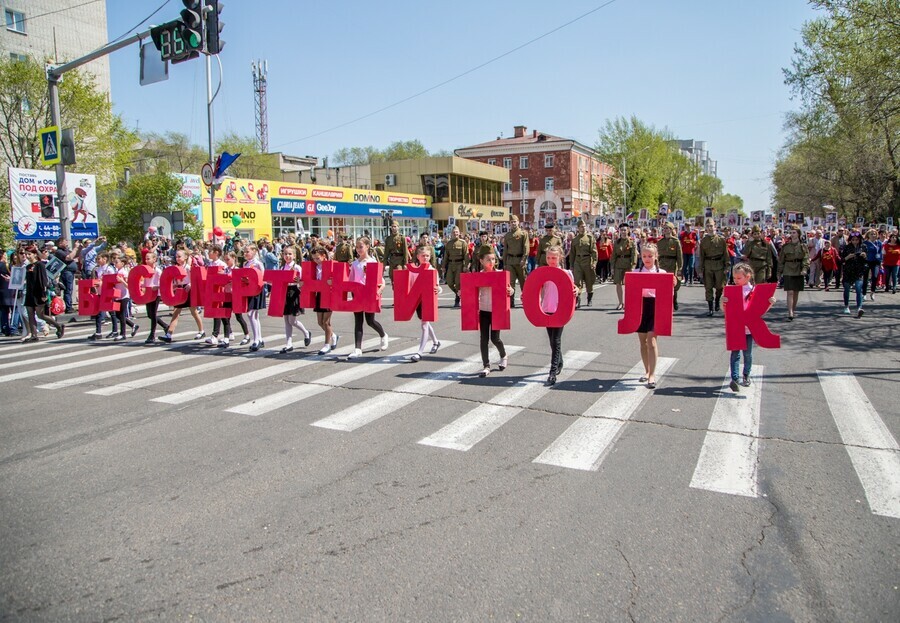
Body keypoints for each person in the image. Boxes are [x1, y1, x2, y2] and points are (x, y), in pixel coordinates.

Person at [724, 263, 776, 392]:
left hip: (749, 328)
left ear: (748, 277)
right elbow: (726, 310)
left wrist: (770, 303)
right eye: (734, 278)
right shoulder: (731, 290)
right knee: (735, 353)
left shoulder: (754, 290)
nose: (735, 280)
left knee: (747, 354)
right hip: (736, 327)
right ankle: (735, 379)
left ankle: (746, 375)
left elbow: (761, 310)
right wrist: (723, 302)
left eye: (738, 278)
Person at [632, 243, 672, 389]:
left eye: (650, 256)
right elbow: (630, 293)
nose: (647, 259)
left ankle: (653, 375)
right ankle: (647, 370)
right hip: (640, 307)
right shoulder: (636, 272)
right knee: (643, 342)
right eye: (644, 256)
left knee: (652, 340)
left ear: (656, 257)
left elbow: (668, 295)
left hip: (656, 307)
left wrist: (672, 285)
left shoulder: (662, 273)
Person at [541, 245, 576, 385]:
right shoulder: (543, 272)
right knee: (551, 341)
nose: (551, 260)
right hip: (546, 308)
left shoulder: (566, 273)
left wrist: (577, 290)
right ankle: (560, 362)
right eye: (548, 257)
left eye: (554, 258)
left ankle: (552, 372)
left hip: (560, 310)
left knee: (556, 341)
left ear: (560, 257)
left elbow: (573, 288)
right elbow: (537, 288)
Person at [347, 236, 388, 359]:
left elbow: (381, 280)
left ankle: (383, 335)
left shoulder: (372, 262)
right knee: (358, 321)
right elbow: (350, 279)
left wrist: (380, 289)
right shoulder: (354, 263)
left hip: (369, 293)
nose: (359, 249)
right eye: (357, 247)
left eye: (361, 247)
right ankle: (357, 348)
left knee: (370, 321)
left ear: (367, 247)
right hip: (357, 293)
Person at [477, 249, 512, 377]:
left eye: (493, 259)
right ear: (481, 261)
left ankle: (503, 355)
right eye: (488, 259)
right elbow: (473, 291)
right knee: (483, 339)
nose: (491, 262)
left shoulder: (500, 274)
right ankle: (486, 366)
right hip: (483, 310)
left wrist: (510, 290)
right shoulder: (478, 275)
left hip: (496, 310)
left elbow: (510, 289)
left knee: (495, 338)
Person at [159, 249, 205, 342]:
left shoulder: (188, 267)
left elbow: (194, 278)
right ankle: (169, 334)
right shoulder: (176, 268)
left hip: (188, 290)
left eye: (179, 256)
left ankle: (201, 330)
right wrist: (175, 285)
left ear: (185, 257)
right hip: (180, 290)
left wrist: (190, 284)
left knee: (194, 312)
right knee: (176, 312)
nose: (177, 258)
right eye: (176, 257)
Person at [21, 245, 64, 342]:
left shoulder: (40, 265)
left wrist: (44, 294)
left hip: (39, 293)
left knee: (41, 315)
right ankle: (34, 335)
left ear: (35, 255)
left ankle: (59, 326)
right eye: (26, 254)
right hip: (30, 293)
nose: (27, 256)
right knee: (30, 313)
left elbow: (43, 280)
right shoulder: (28, 266)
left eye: (29, 254)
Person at [408, 245, 442, 363]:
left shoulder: (432, 270)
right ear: (418, 257)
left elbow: (437, 286)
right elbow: (411, 285)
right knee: (424, 322)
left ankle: (420, 352)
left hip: (428, 300)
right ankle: (436, 342)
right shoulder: (414, 271)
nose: (425, 258)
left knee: (424, 324)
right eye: (423, 256)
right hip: (417, 300)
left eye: (427, 255)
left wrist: (438, 290)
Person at [279, 246, 312, 353]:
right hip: (284, 292)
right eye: (285, 254)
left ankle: (306, 332)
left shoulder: (297, 267)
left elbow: (303, 282)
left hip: (294, 291)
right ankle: (289, 343)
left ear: (294, 256)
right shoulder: (282, 268)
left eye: (289, 254)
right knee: (286, 319)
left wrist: (298, 281)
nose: (287, 256)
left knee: (292, 320)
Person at [309, 246, 339, 355]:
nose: (316, 261)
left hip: (329, 294)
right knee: (319, 322)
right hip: (319, 294)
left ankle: (327, 344)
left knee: (326, 322)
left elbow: (338, 277)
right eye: (314, 259)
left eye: (318, 258)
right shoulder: (315, 267)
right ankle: (333, 335)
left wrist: (332, 281)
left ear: (324, 256)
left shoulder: (331, 265)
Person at [776, 226, 810, 321]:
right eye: (791, 232)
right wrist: (779, 272)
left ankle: (793, 310)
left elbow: (806, 258)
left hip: (799, 269)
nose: (792, 234)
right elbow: (781, 260)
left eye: (794, 232)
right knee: (790, 292)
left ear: (798, 234)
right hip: (788, 268)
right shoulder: (786, 247)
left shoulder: (803, 246)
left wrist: (804, 269)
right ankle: (790, 311)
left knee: (796, 292)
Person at [203, 246, 233, 348]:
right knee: (219, 314)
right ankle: (229, 333)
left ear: (216, 253)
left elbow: (225, 278)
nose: (208, 253)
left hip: (221, 291)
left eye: (210, 251)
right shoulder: (210, 264)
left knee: (219, 313)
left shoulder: (222, 264)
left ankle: (215, 336)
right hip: (213, 291)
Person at [698, 219, 728, 317]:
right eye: (708, 226)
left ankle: (717, 300)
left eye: (711, 226)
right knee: (708, 287)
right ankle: (710, 308)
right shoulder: (703, 241)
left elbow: (725, 254)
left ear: (715, 227)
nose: (710, 228)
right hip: (708, 265)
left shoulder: (721, 240)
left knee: (720, 286)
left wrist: (727, 266)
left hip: (719, 264)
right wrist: (700, 269)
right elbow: (701, 256)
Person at [242, 243, 267, 352]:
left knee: (251, 314)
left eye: (248, 251)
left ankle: (256, 339)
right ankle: (259, 339)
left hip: (256, 290)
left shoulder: (258, 263)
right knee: (253, 315)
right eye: (245, 252)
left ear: (254, 251)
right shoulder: (246, 264)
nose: (245, 254)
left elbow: (263, 277)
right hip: (248, 290)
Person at [568, 219, 597, 308]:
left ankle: (589, 299)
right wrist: (571, 265)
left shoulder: (590, 238)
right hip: (578, 261)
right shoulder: (575, 240)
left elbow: (594, 252)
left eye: (584, 226)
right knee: (577, 281)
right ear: (578, 228)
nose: (583, 228)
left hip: (587, 261)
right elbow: (572, 253)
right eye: (581, 227)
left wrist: (594, 262)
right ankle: (577, 299)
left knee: (589, 281)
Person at [503, 215, 529, 307]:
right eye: (511, 222)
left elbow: (526, 247)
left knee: (524, 282)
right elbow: (505, 250)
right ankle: (510, 301)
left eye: (515, 221)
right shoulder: (507, 236)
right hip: (510, 261)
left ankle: (526, 300)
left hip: (520, 260)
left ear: (518, 222)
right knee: (510, 282)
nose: (513, 223)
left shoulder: (523, 233)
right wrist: (504, 263)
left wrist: (524, 259)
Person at [840, 230, 868, 317]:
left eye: (857, 239)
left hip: (859, 271)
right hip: (848, 271)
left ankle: (859, 308)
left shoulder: (863, 247)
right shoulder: (846, 247)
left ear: (859, 239)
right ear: (850, 240)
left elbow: (867, 260)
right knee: (847, 289)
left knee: (859, 289)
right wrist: (847, 257)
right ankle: (846, 306)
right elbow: (841, 260)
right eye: (853, 239)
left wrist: (864, 256)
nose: (855, 241)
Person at [657, 223, 684, 310]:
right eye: (664, 228)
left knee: (673, 284)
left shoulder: (675, 241)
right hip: (662, 265)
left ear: (671, 230)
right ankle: (664, 302)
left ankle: (674, 300)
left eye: (667, 228)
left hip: (672, 265)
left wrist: (680, 268)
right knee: (662, 285)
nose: (665, 230)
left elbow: (679, 256)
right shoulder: (660, 242)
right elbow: (657, 255)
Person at [111, 255, 138, 341]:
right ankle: (133, 325)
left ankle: (123, 334)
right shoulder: (117, 271)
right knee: (118, 315)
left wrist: (121, 280)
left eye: (117, 262)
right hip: (117, 295)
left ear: (122, 263)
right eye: (114, 262)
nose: (115, 264)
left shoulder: (124, 272)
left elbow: (128, 285)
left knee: (122, 314)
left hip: (124, 295)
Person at [612, 225, 637, 310]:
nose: (623, 232)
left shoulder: (631, 241)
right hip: (618, 264)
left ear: (628, 231)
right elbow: (613, 255)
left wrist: (633, 265)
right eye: (621, 230)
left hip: (627, 265)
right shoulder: (617, 242)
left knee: (628, 285)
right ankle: (620, 303)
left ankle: (628, 303)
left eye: (624, 230)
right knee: (618, 284)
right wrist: (612, 267)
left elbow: (634, 254)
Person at [441, 226, 468, 307]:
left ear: (459, 233)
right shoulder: (448, 244)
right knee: (449, 282)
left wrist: (466, 266)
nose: (455, 233)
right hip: (450, 264)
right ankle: (459, 293)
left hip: (459, 264)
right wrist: (443, 266)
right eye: (453, 232)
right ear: (451, 233)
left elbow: (466, 255)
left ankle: (457, 299)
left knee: (458, 282)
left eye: (456, 232)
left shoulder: (463, 243)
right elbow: (446, 256)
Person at [862, 228, 883, 300]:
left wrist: (881, 262)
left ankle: (872, 292)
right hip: (867, 261)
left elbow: (880, 253)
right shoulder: (865, 243)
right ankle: (864, 293)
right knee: (865, 278)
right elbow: (863, 252)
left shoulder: (879, 243)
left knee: (875, 276)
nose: (873, 235)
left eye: (874, 234)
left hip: (876, 261)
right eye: (871, 234)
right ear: (868, 235)